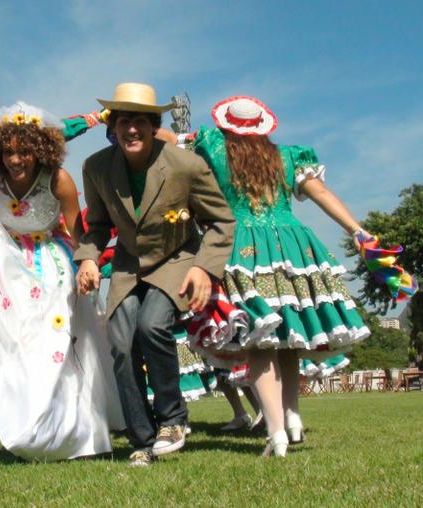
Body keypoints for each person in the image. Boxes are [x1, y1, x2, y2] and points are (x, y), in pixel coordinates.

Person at [0, 102, 123, 461]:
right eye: (9, 151)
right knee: (1, 344)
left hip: (50, 265)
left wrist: (87, 264)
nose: (16, 159)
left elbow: (78, 231)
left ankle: (59, 428)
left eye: (25, 151)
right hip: (3, 269)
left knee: (53, 346)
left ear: (41, 149)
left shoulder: (59, 180)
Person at [187, 95, 371, 456]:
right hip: (291, 244)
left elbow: (168, 140)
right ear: (263, 128)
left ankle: (276, 432)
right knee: (288, 338)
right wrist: (357, 231)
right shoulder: (289, 157)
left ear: (227, 128)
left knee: (258, 340)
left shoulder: (214, 149)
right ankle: (293, 418)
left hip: (241, 246)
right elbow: (320, 193)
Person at [75, 83, 236, 466]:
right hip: (130, 266)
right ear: (113, 128)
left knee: (151, 326)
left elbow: (221, 221)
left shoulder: (185, 165)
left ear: (153, 126)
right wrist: (87, 259)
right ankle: (142, 440)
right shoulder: (96, 168)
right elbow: (95, 225)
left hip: (177, 258)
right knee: (121, 342)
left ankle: (173, 420)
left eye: (140, 122)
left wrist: (204, 268)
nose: (132, 129)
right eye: (124, 121)